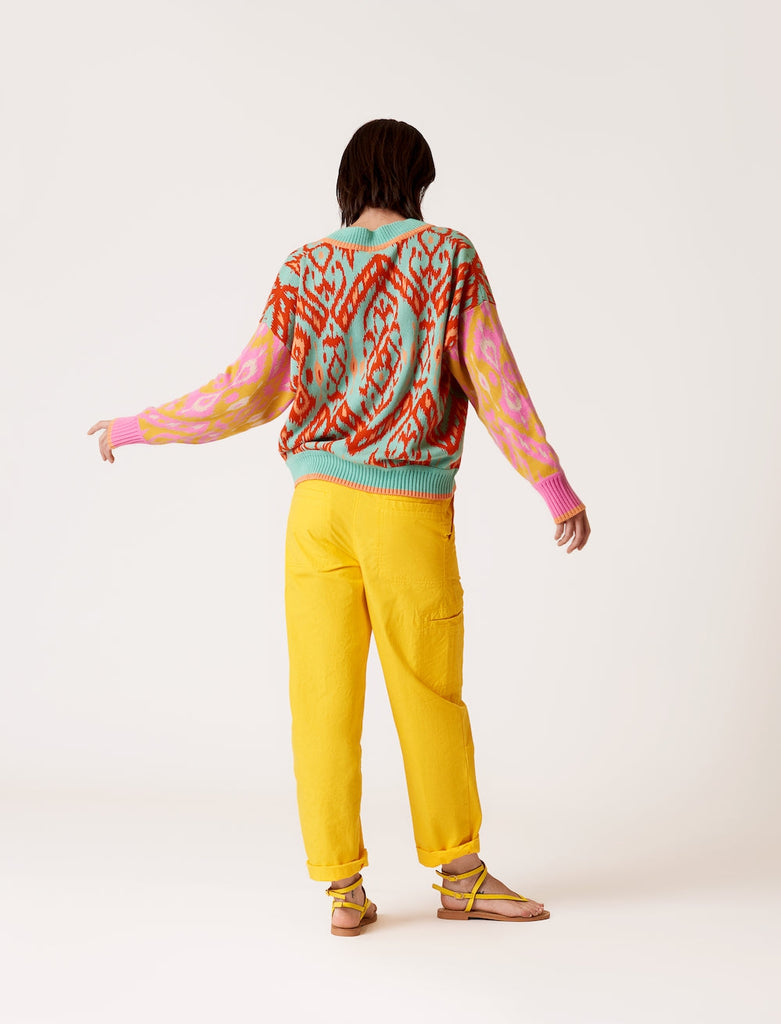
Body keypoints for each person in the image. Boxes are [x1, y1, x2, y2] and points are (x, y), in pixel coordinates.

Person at [88, 118, 590, 938]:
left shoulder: (303, 268)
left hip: (315, 511)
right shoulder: (448, 256)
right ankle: (460, 875)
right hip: (404, 512)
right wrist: (551, 483)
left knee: (320, 696)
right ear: (416, 179)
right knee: (427, 692)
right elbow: (491, 375)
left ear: (349, 181)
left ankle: (343, 889)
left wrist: (137, 425)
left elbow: (245, 390)